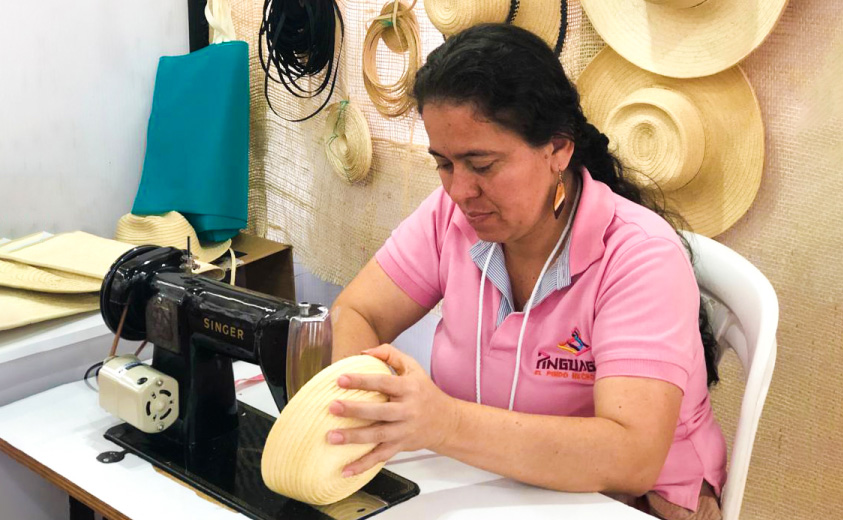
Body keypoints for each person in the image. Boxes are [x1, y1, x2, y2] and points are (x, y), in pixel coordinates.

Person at [327, 24, 726, 519]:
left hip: (631, 503)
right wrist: (360, 409)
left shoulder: (640, 257)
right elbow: (356, 311)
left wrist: (443, 423)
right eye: (444, 164)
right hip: (492, 483)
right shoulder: (450, 216)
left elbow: (632, 457)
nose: (459, 191)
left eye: (482, 164)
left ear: (558, 149)